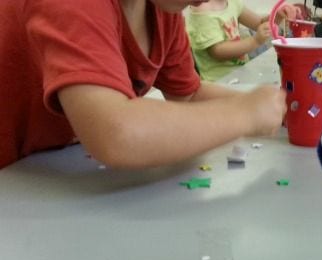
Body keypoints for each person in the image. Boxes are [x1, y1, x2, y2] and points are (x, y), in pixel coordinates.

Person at [0, 0, 287, 171]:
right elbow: (115, 133)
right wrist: (244, 115)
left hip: (38, 168)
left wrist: (278, 108)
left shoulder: (163, 11)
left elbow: (189, 94)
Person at [186, 1, 296, 82]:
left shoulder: (231, 3)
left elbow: (259, 23)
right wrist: (255, 41)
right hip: (218, 83)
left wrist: (277, 16)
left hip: (240, 75)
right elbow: (217, 51)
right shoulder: (202, 11)